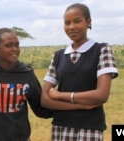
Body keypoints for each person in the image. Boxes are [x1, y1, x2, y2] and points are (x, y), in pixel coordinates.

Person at [41, 3, 119, 141]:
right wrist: (82, 105)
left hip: (90, 129)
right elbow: (45, 99)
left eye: (77, 21)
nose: (71, 27)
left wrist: (60, 95)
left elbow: (101, 95)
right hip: (61, 128)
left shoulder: (101, 50)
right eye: (67, 23)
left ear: (88, 22)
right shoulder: (58, 55)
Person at [0, 27, 53, 141]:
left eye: (17, 45)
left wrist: (69, 104)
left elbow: (40, 110)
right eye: (9, 45)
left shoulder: (27, 74)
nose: (15, 49)